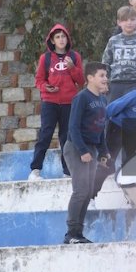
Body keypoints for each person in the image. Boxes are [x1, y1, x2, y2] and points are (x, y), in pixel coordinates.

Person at [62, 61, 110, 244]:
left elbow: (100, 129)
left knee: (88, 190)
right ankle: (71, 233)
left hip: (91, 149)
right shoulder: (81, 98)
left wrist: (103, 152)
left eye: (106, 75)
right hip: (76, 148)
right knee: (80, 190)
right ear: (90, 78)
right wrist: (82, 150)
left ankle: (78, 233)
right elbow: (73, 127)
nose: (105, 79)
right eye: (101, 75)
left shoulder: (102, 100)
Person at [31, 24, 84, 180]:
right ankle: (35, 170)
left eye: (64, 36)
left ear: (67, 39)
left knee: (67, 138)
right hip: (50, 102)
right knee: (45, 135)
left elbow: (81, 81)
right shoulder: (45, 58)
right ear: (52, 41)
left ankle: (67, 172)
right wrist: (46, 87)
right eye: (58, 37)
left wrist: (72, 67)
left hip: (69, 103)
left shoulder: (74, 57)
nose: (61, 39)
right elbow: (39, 80)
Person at [101, 5, 136, 101]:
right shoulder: (113, 40)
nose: (129, 23)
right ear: (119, 22)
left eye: (132, 19)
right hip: (116, 85)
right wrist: (104, 81)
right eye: (125, 20)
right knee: (113, 113)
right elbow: (105, 63)